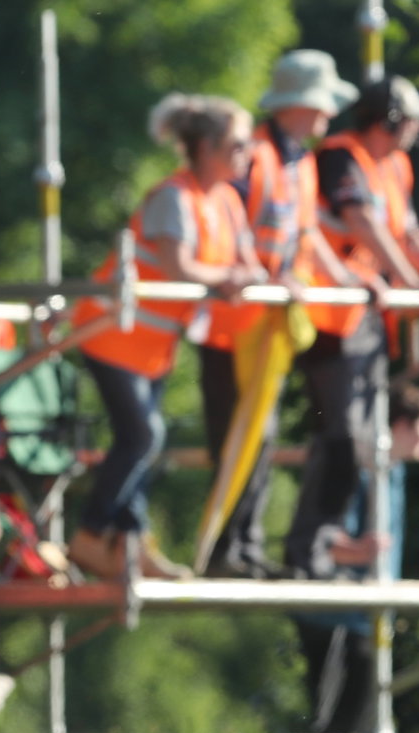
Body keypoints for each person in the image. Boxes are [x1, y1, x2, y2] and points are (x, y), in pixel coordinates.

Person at [285, 74, 419, 579]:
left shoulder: (394, 166)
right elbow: (363, 223)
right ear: (392, 120)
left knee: (354, 437)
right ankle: (311, 547)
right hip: (330, 315)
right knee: (340, 436)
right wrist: (412, 283)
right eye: (413, 118)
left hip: (362, 314)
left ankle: (321, 543)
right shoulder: (342, 155)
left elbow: (407, 233)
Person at [60, 93, 268, 581]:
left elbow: (244, 262)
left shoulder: (226, 202)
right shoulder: (173, 196)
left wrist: (254, 276)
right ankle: (90, 537)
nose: (248, 155)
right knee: (142, 436)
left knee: (144, 442)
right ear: (210, 147)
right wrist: (226, 280)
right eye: (239, 145)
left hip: (151, 344)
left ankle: (131, 545)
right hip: (113, 331)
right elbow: (179, 265)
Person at [198, 50, 362, 579]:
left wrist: (347, 280)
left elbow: (305, 235)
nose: (328, 117)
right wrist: (267, 279)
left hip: (262, 328)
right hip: (232, 327)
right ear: (302, 104)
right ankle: (222, 551)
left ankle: (241, 548)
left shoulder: (298, 160)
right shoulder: (257, 156)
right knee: (237, 440)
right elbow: (229, 224)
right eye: (322, 105)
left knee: (260, 440)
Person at [294, 381, 419, 733]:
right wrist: (360, 550)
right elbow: (320, 540)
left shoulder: (394, 470)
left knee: (358, 720)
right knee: (330, 720)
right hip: (335, 611)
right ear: (402, 425)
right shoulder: (359, 465)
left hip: (365, 612)